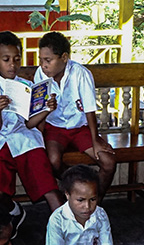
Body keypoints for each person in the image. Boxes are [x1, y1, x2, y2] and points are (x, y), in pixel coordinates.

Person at [0, 31, 65, 235]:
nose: (12, 65)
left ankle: (67, 234)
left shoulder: (28, 87)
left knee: (49, 189)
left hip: (26, 141)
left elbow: (29, 123)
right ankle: (14, 211)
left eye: (17, 59)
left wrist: (47, 109)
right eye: (6, 59)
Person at [34, 31, 117, 196]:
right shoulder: (40, 74)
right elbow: (40, 111)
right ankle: (76, 188)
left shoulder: (80, 73)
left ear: (64, 57)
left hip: (80, 128)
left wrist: (95, 140)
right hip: (54, 128)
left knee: (108, 163)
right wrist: (38, 138)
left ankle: (94, 202)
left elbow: (90, 110)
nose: (43, 65)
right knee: (52, 161)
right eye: (41, 60)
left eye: (48, 60)